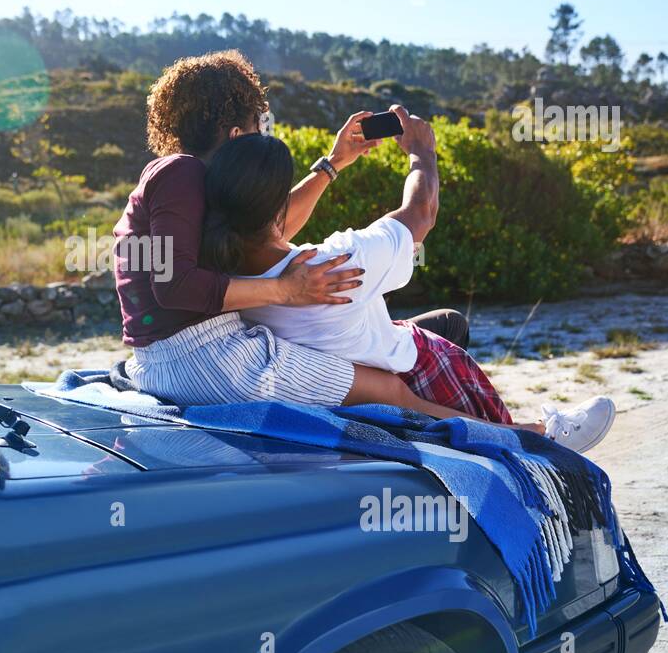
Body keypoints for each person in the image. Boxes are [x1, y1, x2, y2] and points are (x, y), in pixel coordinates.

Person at [199, 113, 616, 453]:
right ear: (277, 207)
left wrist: (334, 162)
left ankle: (522, 427)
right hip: (406, 372)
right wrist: (422, 154)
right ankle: (538, 439)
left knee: (448, 321)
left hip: (342, 373)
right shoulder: (337, 265)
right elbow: (421, 213)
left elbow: (265, 224)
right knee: (447, 341)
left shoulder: (222, 272)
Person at [113, 50, 484, 414]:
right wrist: (285, 289)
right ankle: (516, 437)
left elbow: (266, 227)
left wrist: (333, 163)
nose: (260, 134)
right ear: (236, 133)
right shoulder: (178, 173)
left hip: (187, 356)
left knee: (422, 345)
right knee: (391, 389)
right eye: (259, 126)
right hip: (204, 360)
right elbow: (172, 285)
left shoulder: (200, 182)